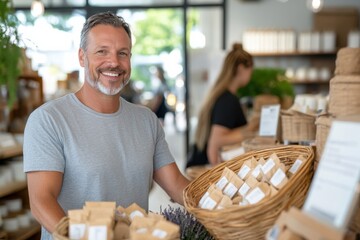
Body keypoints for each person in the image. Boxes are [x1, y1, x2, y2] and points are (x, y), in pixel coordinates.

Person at [23, 11, 190, 240]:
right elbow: (41, 201)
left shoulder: (146, 120)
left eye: (123, 53)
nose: (114, 62)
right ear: (82, 57)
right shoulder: (48, 120)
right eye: (102, 51)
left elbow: (177, 185)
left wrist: (220, 207)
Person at [186, 43, 254, 168]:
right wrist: (252, 131)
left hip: (197, 163)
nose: (251, 74)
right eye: (250, 69)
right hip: (203, 171)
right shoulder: (228, 100)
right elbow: (216, 142)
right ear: (241, 68)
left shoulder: (220, 95)